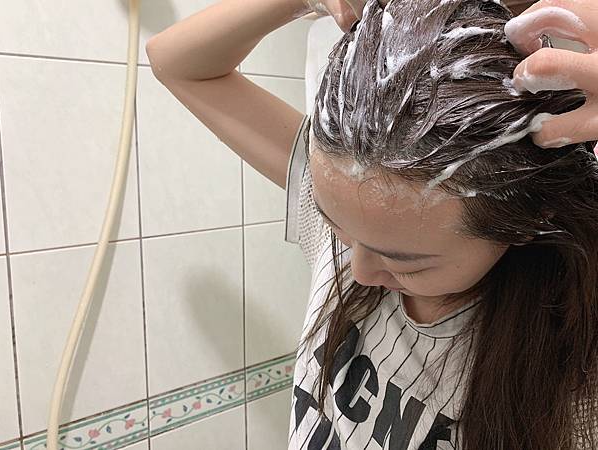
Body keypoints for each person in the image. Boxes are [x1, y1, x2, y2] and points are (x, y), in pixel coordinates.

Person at [145, 0, 598, 448]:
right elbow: (176, 63)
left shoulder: (575, 363)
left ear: (526, 219)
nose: (357, 270)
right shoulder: (356, 203)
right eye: (336, 228)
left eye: (407, 263)